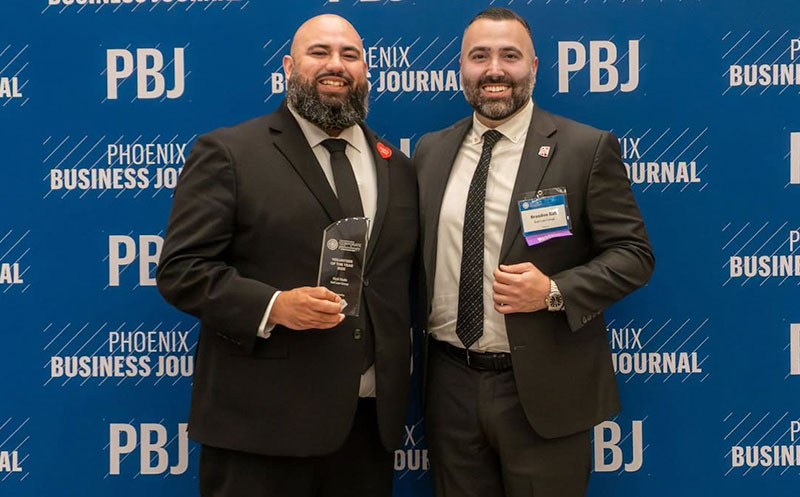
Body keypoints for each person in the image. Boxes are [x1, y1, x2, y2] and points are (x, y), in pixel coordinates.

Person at [156, 14, 418, 497]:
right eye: (319, 52)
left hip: (365, 428)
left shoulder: (397, 166)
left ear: (366, 70)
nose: (335, 65)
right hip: (261, 429)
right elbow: (182, 270)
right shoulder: (230, 152)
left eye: (350, 55)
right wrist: (274, 306)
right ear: (288, 67)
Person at [413, 7, 654, 497]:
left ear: (535, 66)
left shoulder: (585, 148)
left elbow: (634, 254)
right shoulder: (429, 151)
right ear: (461, 67)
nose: (494, 70)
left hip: (544, 388)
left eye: (510, 56)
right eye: (479, 56)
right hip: (450, 385)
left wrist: (553, 291)